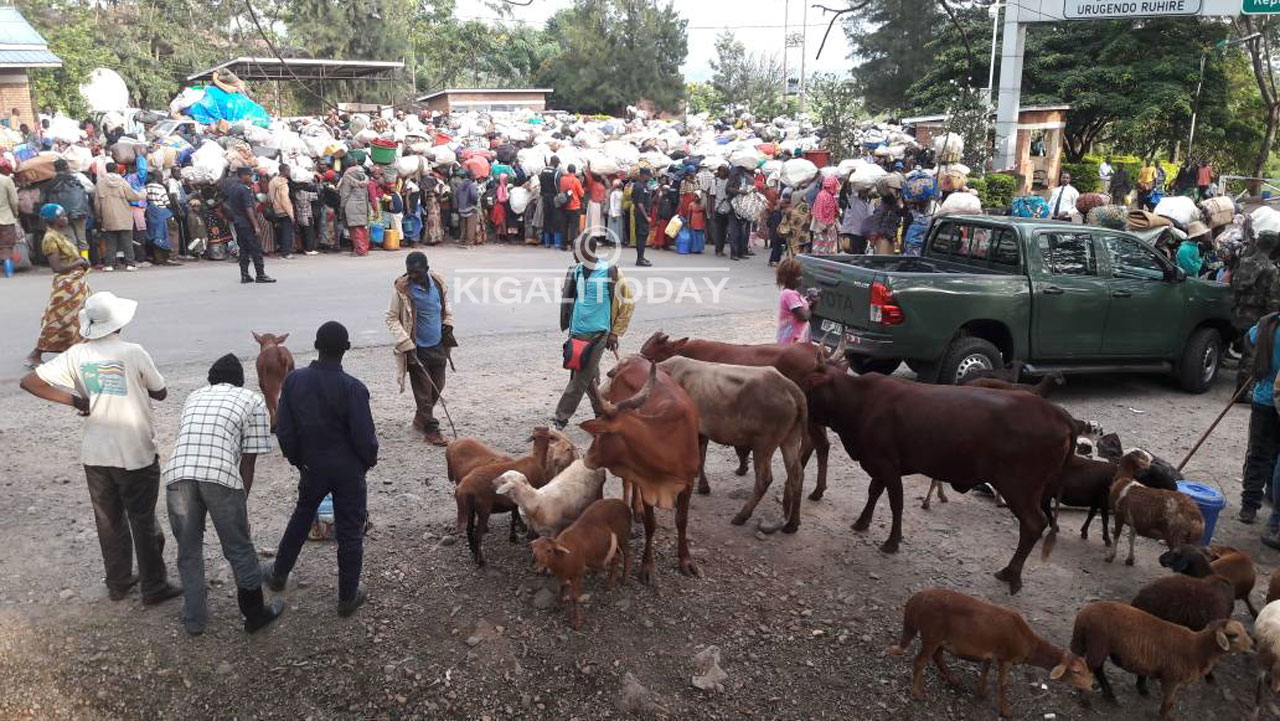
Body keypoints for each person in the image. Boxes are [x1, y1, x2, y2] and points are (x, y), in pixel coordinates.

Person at [20, 291, 181, 605]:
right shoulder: (133, 352)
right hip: (135, 453)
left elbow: (30, 382)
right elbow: (160, 392)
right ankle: (154, 586)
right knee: (143, 521)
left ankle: (119, 583)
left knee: (109, 522)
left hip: (95, 453)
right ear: (120, 323)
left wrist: (77, 399)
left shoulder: (77, 354)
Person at [261, 321, 378, 617]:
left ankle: (278, 574)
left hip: (312, 465)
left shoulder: (295, 382)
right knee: (350, 531)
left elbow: (285, 432)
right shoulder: (353, 388)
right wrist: (364, 464)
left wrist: (300, 460)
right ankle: (347, 597)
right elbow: (365, 439)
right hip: (348, 471)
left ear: (316, 345)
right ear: (346, 350)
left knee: (302, 517)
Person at [162, 354, 283, 636]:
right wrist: (240, 506)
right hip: (220, 477)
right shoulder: (252, 400)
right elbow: (248, 462)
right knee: (238, 548)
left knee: (188, 549)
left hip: (178, 475)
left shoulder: (194, 396)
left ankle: (194, 619)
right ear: (240, 381)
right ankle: (254, 614)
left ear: (210, 379)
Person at [553, 236, 635, 430]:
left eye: (576, 249)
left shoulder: (610, 271)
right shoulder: (576, 271)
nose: (573, 253)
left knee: (578, 380)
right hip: (576, 335)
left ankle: (560, 420)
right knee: (589, 379)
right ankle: (602, 414)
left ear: (589, 251)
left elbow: (628, 302)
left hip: (598, 335)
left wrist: (615, 332)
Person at [386, 251, 455, 447]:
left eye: (416, 272)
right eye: (409, 272)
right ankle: (431, 431)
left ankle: (420, 420)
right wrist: (405, 342)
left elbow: (446, 308)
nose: (412, 277)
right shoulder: (402, 290)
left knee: (437, 387)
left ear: (426, 269)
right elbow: (391, 318)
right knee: (424, 393)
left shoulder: (438, 284)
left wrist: (448, 323)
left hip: (439, 345)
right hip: (417, 350)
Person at [25, 204, 90, 368]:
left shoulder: (60, 235)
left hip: (75, 285)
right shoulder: (50, 238)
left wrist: (81, 263)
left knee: (77, 320)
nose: (66, 218)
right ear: (53, 219)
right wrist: (79, 261)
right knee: (58, 320)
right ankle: (36, 354)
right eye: (62, 216)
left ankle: (77, 353)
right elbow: (57, 268)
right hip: (65, 287)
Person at [1242, 311, 1280, 528]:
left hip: (1264, 397)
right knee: (1271, 455)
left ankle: (1250, 505)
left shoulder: (1268, 323)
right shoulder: (1269, 323)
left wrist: (1260, 364)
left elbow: (1248, 339)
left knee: (1258, 452)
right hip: (1268, 397)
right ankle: (1269, 498)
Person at [1231, 230, 1280, 394]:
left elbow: (1233, 285)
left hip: (1239, 312)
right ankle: (1242, 392)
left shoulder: (1244, 262)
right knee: (1251, 355)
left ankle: (1240, 388)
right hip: (1257, 317)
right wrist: (1272, 322)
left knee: (1244, 351)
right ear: (1273, 247)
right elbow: (1273, 299)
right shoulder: (1271, 269)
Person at [224, 167, 275, 282]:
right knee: (256, 248)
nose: (251, 178)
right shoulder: (244, 189)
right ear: (244, 176)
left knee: (244, 250)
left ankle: (245, 274)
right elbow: (249, 208)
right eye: (250, 176)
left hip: (238, 223)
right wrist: (256, 225)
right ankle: (260, 275)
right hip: (247, 223)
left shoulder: (233, 188)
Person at [94, 162, 144, 272]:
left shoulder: (100, 183)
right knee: (127, 241)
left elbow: (97, 203)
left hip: (108, 216)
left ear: (106, 170)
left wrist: (99, 216)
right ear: (117, 170)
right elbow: (132, 196)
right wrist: (142, 194)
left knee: (110, 241)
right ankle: (130, 264)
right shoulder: (122, 182)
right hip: (124, 215)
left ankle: (109, 265)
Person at [41, 159, 92, 262]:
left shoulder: (51, 183)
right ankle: (86, 260)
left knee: (70, 239)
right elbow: (89, 190)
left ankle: (74, 260)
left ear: (55, 169)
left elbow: (44, 200)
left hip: (61, 215)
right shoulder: (76, 179)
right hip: (80, 213)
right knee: (82, 239)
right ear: (66, 167)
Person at [775, 258, 816, 344]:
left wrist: (811, 303)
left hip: (798, 338)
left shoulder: (793, 293)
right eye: (798, 276)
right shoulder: (789, 295)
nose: (801, 278)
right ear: (790, 278)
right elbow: (804, 316)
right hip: (793, 340)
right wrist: (811, 304)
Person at [143, 174, 177, 266]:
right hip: (162, 213)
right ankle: (171, 257)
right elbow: (167, 203)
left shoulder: (146, 187)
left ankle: (158, 258)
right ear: (157, 178)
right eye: (161, 177)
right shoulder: (160, 187)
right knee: (170, 234)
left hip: (151, 213)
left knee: (155, 236)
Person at [337, 166, 370, 256]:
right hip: (362, 205)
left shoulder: (347, 177)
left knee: (355, 230)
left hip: (351, 206)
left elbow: (345, 194)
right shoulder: (364, 178)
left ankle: (360, 250)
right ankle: (365, 249)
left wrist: (342, 207)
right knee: (362, 229)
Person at [269, 166, 295, 259]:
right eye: (289, 170)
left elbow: (270, 196)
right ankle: (286, 253)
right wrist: (291, 214)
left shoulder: (273, 181)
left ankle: (281, 250)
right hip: (283, 210)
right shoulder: (283, 183)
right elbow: (285, 199)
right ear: (285, 171)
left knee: (280, 231)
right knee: (287, 232)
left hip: (276, 209)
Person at [810, 176, 841, 255]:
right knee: (825, 250)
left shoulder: (823, 195)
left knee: (821, 248)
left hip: (822, 226)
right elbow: (821, 212)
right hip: (824, 227)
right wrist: (823, 224)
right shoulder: (826, 196)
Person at [840, 183, 873, 254]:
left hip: (860, 234)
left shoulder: (869, 202)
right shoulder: (854, 199)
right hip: (855, 233)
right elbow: (847, 190)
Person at [630, 168, 653, 267]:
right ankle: (639, 259)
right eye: (648, 175)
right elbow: (639, 204)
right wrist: (646, 217)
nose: (649, 177)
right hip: (641, 215)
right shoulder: (638, 186)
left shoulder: (644, 186)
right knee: (641, 236)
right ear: (643, 175)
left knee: (643, 236)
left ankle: (641, 257)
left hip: (643, 213)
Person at [539, 156, 563, 249]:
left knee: (546, 219)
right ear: (556, 163)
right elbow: (557, 187)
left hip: (545, 197)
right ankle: (557, 243)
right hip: (553, 198)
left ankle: (547, 242)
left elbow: (541, 184)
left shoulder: (543, 171)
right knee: (556, 220)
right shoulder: (557, 173)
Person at [560, 164, 585, 247]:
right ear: (574, 171)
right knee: (574, 227)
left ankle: (563, 245)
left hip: (564, 205)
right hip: (574, 206)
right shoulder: (576, 180)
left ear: (568, 170)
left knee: (564, 226)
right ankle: (573, 245)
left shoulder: (562, 179)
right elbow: (581, 194)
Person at [0, 159, 17, 277]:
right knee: (6, 247)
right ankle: (8, 273)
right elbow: (14, 201)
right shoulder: (6, 180)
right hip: (5, 219)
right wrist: (15, 214)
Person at [455, 170, 480, 246]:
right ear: (471, 176)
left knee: (463, 226)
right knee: (470, 226)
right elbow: (474, 196)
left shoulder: (460, 184)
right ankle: (469, 242)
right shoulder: (471, 185)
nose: (475, 177)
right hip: (470, 208)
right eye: (474, 175)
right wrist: (474, 203)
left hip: (462, 208)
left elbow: (456, 195)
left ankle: (462, 241)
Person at [712, 166, 731, 256]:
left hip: (727, 208)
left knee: (725, 231)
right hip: (717, 208)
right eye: (721, 171)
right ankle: (718, 249)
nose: (722, 173)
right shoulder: (715, 181)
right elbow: (712, 196)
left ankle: (721, 249)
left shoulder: (729, 181)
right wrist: (711, 210)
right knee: (719, 230)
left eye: (724, 171)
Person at [606, 179, 625, 245]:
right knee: (613, 228)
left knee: (618, 228)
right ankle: (612, 241)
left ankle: (617, 240)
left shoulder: (622, 193)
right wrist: (613, 214)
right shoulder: (613, 193)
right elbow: (612, 204)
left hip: (619, 213)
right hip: (613, 213)